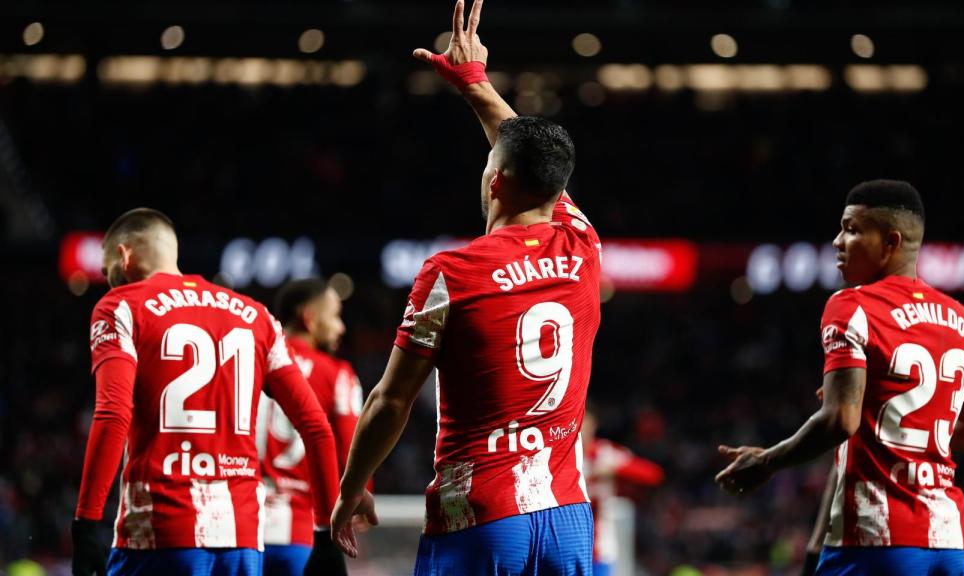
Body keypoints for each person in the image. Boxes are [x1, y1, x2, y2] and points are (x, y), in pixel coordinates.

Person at [330, 1, 602, 573]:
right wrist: (475, 84)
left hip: (478, 516)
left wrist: (352, 484)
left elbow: (391, 400)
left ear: (494, 179)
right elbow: (534, 155)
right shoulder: (583, 248)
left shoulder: (451, 273)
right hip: (568, 520)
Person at [715, 181, 964, 575]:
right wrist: (884, 411)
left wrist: (766, 462)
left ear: (891, 241)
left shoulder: (852, 306)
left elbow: (840, 420)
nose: (837, 241)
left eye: (852, 229)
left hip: (876, 540)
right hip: (952, 544)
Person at [71, 208, 346, 576]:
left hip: (159, 531)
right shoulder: (257, 316)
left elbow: (112, 412)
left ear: (124, 256)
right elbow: (316, 426)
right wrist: (326, 534)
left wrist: (86, 522)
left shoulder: (120, 306)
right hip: (243, 541)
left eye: (107, 272)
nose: (109, 282)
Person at [256, 278, 364, 575]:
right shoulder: (337, 374)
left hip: (242, 534)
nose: (341, 327)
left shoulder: (248, 363)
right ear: (309, 318)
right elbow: (351, 449)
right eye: (335, 316)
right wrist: (361, 491)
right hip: (304, 536)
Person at [581, 410, 664, 576]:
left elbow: (654, 474)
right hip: (566, 543)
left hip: (599, 548)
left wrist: (616, 468)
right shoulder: (562, 455)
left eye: (586, 426)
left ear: (594, 426)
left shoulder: (605, 453)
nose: (582, 432)